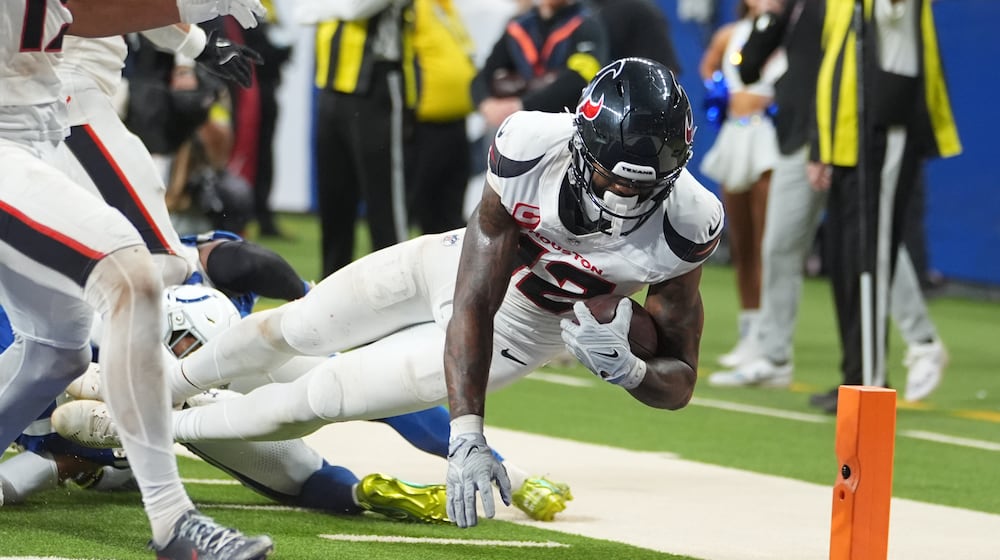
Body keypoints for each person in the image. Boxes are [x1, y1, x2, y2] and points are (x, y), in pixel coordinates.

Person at [50, 58, 722, 529]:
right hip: (456, 272)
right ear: (582, 146)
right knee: (293, 326)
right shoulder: (528, 144)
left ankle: (144, 428)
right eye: (612, 177)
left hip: (525, 335)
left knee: (311, 402)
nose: (624, 197)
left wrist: (631, 368)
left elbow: (681, 378)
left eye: (643, 185)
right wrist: (466, 432)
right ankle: (159, 388)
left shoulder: (689, 222)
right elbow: (473, 297)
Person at [0, 0, 275, 558]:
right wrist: (200, 18)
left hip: (40, 121)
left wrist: (196, 35)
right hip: (22, 128)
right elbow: (76, 12)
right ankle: (174, 521)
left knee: (58, 353)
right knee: (135, 275)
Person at [2, 284, 452, 524]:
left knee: (316, 400)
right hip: (119, 411)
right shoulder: (98, 325)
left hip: (159, 405)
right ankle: (360, 490)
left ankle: (363, 490)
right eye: (182, 348)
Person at [707, 0, 950, 404]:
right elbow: (749, 65)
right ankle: (772, 353)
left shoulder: (841, 6)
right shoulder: (788, 10)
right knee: (786, 245)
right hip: (803, 135)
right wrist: (771, 13)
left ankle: (920, 342)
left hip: (843, 134)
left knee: (870, 243)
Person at [808, 0, 961, 411]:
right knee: (842, 262)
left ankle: (871, 383)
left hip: (883, 132)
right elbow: (831, 68)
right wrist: (820, 144)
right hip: (841, 140)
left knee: (870, 261)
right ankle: (855, 378)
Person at [296, 0, 416, 276]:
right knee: (334, 202)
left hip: (377, 88)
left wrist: (323, 9)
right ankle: (331, 299)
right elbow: (301, 12)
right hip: (330, 88)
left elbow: (357, 8)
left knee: (384, 206)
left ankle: (398, 294)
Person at [698, 0, 784, 368]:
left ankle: (770, 335)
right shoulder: (729, 34)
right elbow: (708, 69)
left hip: (770, 137)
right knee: (743, 242)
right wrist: (719, 91)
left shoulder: (788, 33)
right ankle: (749, 332)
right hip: (735, 136)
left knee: (770, 243)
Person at [469, 0, 608, 130]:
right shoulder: (520, 26)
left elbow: (579, 79)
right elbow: (482, 77)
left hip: (566, 127)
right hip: (524, 128)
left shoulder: (586, 23)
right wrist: (487, 104)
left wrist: (522, 106)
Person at [405, 0, 477, 235]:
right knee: (423, 201)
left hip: (455, 121)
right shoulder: (411, 7)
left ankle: (451, 264)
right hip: (424, 123)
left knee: (451, 203)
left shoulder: (444, 6)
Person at [589, 0, 683, 75]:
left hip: (642, 82)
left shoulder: (633, 9)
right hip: (624, 83)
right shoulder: (593, 10)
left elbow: (667, 69)